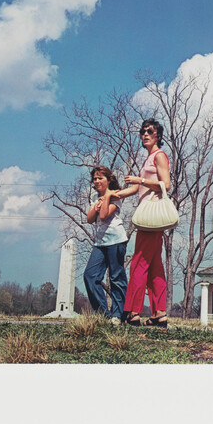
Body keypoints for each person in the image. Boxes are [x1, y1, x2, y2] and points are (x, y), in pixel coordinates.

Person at [115, 118, 171, 328]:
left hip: (152, 217)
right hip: (149, 218)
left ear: (158, 135)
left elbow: (165, 184)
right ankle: (159, 313)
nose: (145, 134)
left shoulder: (159, 156)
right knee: (155, 266)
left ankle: (133, 312)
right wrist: (113, 195)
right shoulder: (148, 159)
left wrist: (140, 180)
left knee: (138, 263)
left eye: (149, 131)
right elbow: (137, 190)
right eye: (142, 131)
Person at [84, 166, 129, 325]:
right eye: (95, 179)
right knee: (90, 275)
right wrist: (96, 204)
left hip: (116, 241)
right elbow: (90, 219)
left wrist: (107, 197)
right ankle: (104, 314)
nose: (96, 181)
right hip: (100, 243)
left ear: (109, 180)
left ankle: (118, 315)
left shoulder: (115, 195)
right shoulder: (96, 197)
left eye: (100, 178)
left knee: (116, 277)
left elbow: (103, 215)